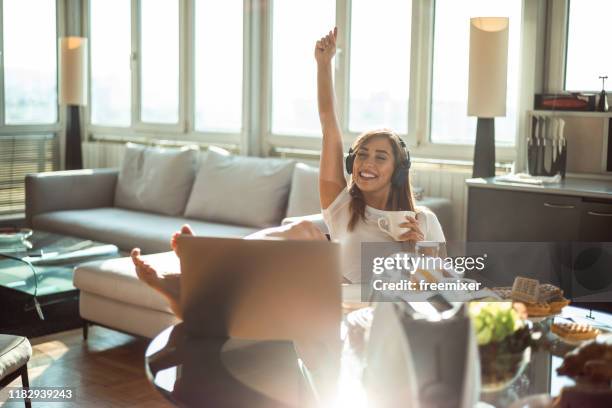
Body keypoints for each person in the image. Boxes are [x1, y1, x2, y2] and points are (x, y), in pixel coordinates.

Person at [315, 27, 445, 283]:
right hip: (347, 313)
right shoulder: (341, 207)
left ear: (398, 170)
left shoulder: (425, 221)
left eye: (381, 157)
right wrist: (323, 65)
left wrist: (419, 251)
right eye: (362, 154)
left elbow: (441, 291)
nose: (367, 163)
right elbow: (329, 125)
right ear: (352, 162)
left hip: (396, 315)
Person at [131, 221, 327, 318]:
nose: (359, 162)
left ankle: (191, 276)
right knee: (304, 229)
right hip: (333, 247)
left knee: (306, 234)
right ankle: (193, 275)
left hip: (344, 262)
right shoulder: (346, 204)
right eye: (358, 155)